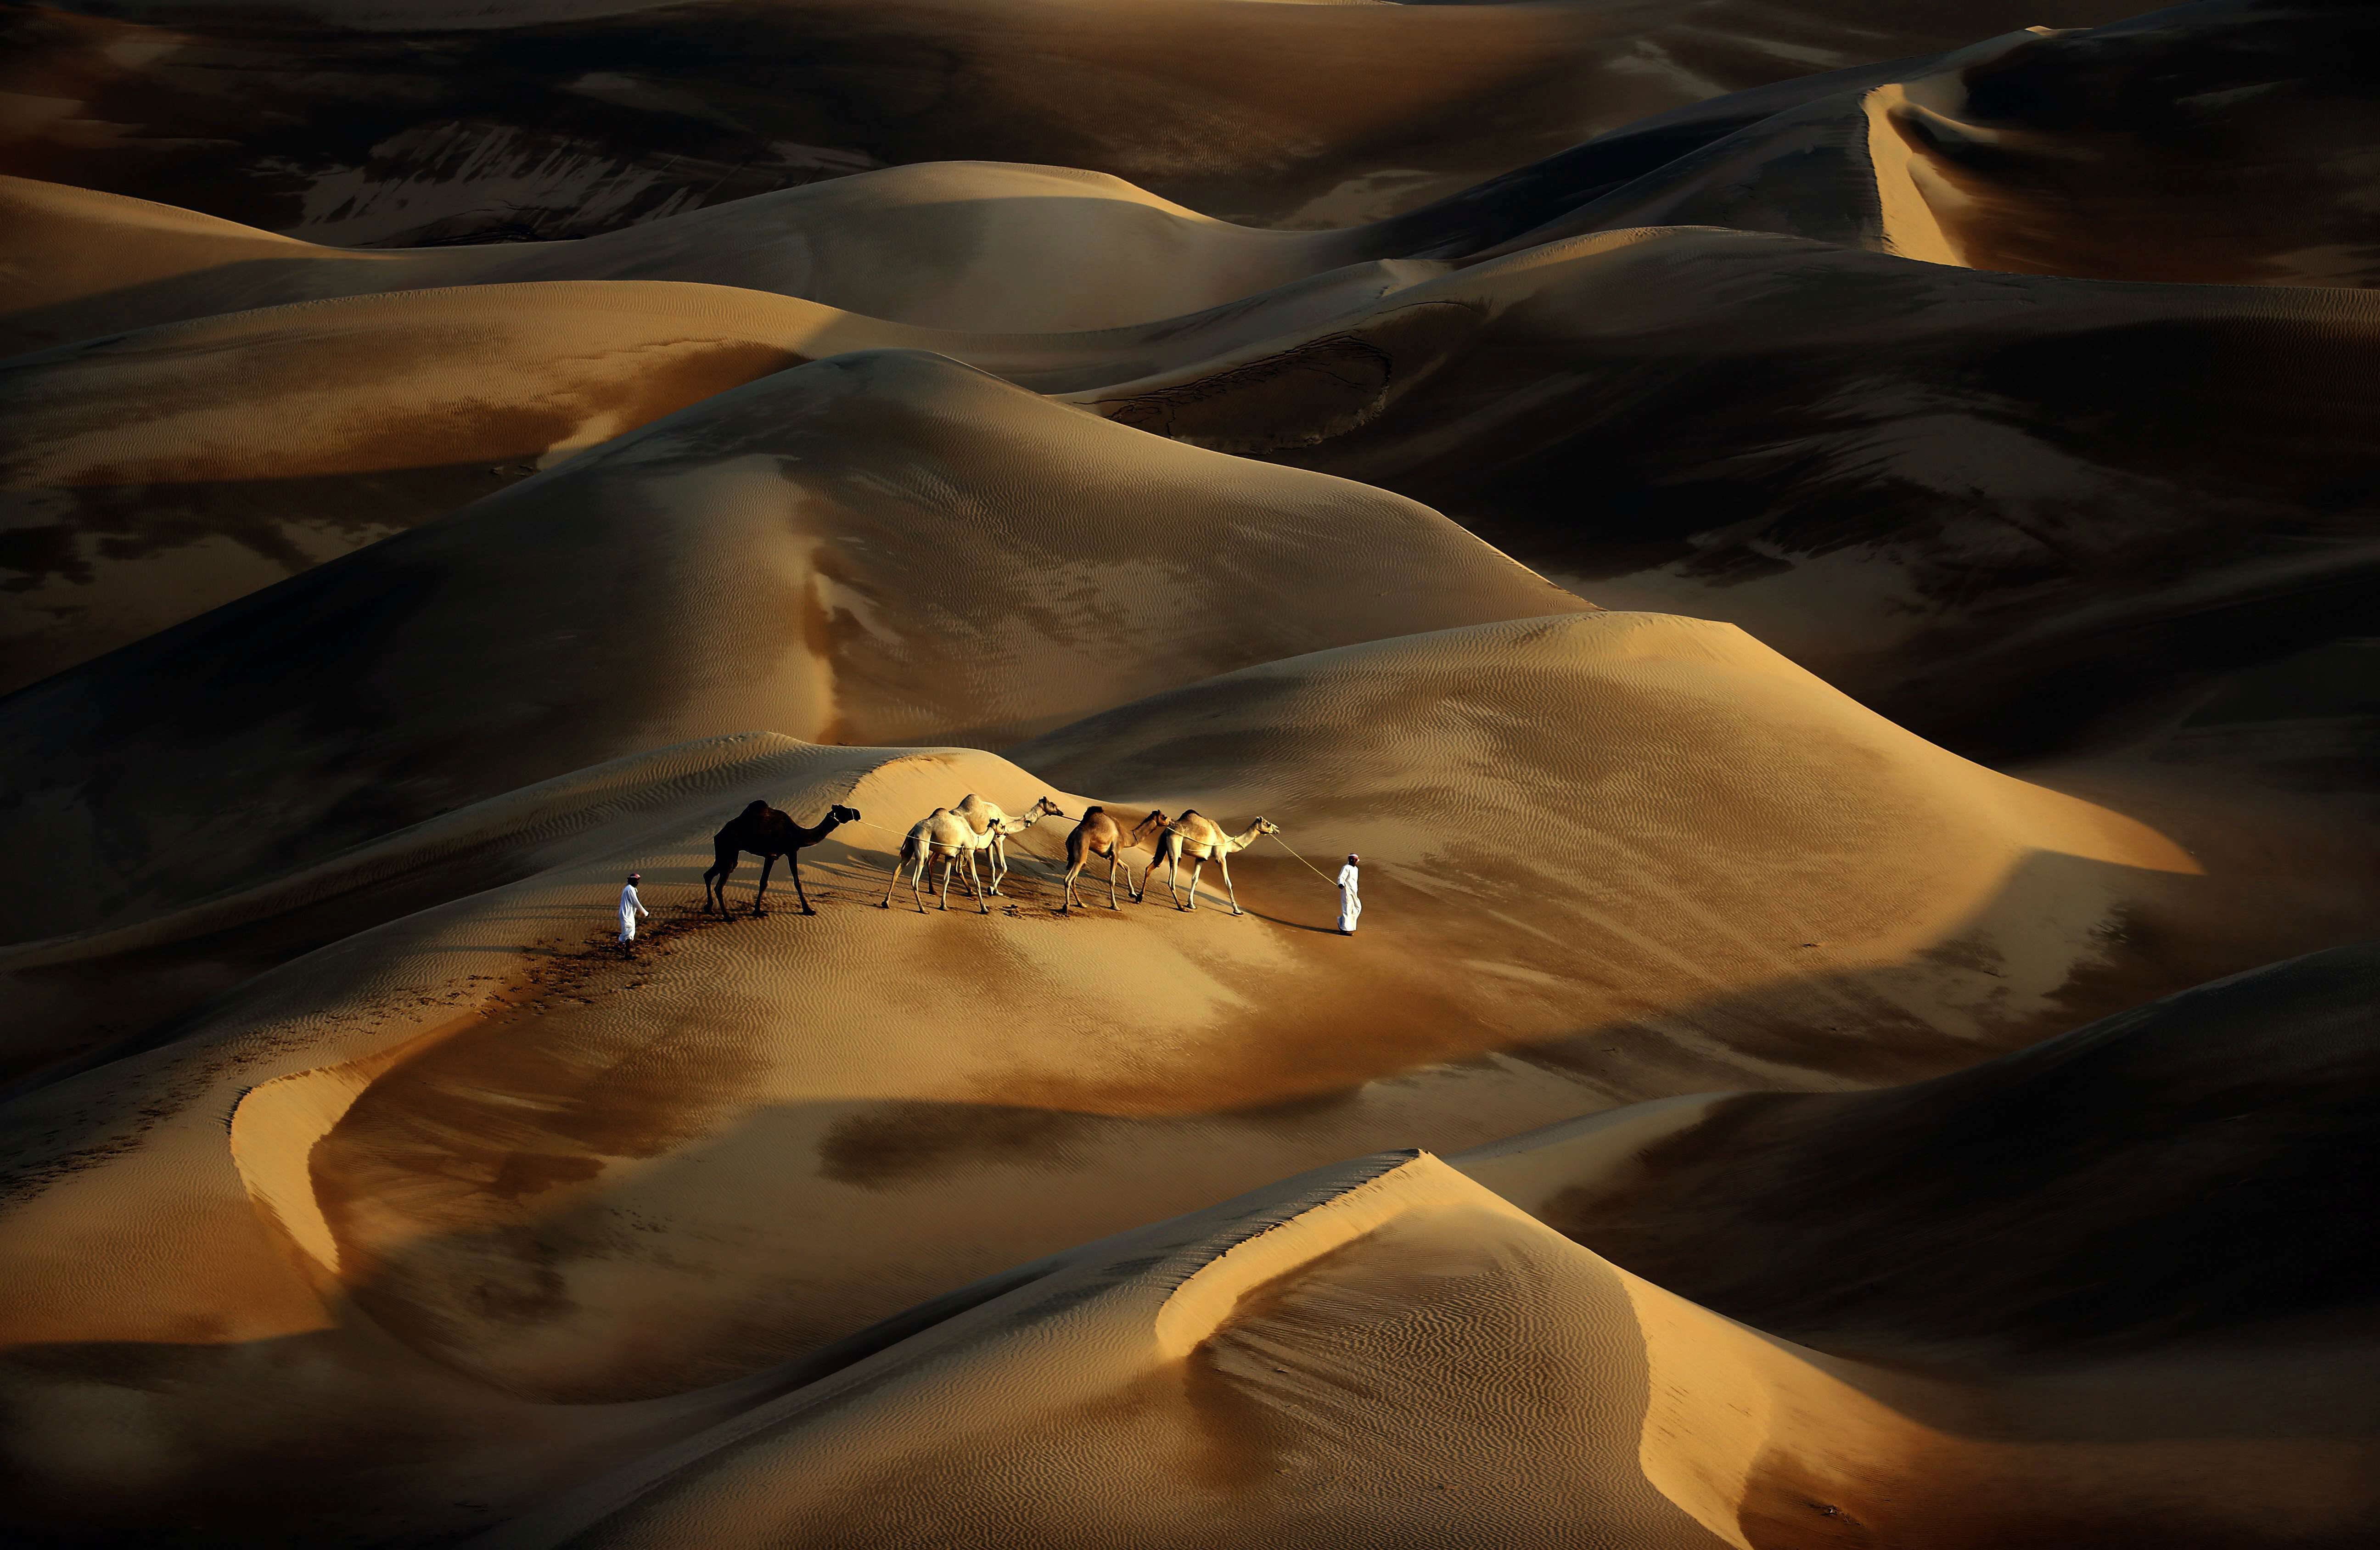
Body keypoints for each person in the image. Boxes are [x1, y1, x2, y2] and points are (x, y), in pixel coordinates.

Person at [618, 872, 650, 957]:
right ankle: (627, 955)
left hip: (628, 914)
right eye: (635, 880)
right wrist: (645, 913)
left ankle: (624, 949)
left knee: (629, 932)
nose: (637, 882)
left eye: (638, 881)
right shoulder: (629, 889)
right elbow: (636, 903)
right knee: (629, 932)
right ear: (631, 880)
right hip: (626, 914)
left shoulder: (630, 889)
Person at [1336, 853, 1362, 935]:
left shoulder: (1356, 869)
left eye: (1354, 859)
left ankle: (1342, 923)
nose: (1352, 861)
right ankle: (1344, 930)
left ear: (1356, 861)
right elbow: (1342, 877)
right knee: (1347, 909)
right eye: (1351, 859)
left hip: (1354, 892)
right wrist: (1341, 884)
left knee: (1357, 908)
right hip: (1346, 892)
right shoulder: (1346, 867)